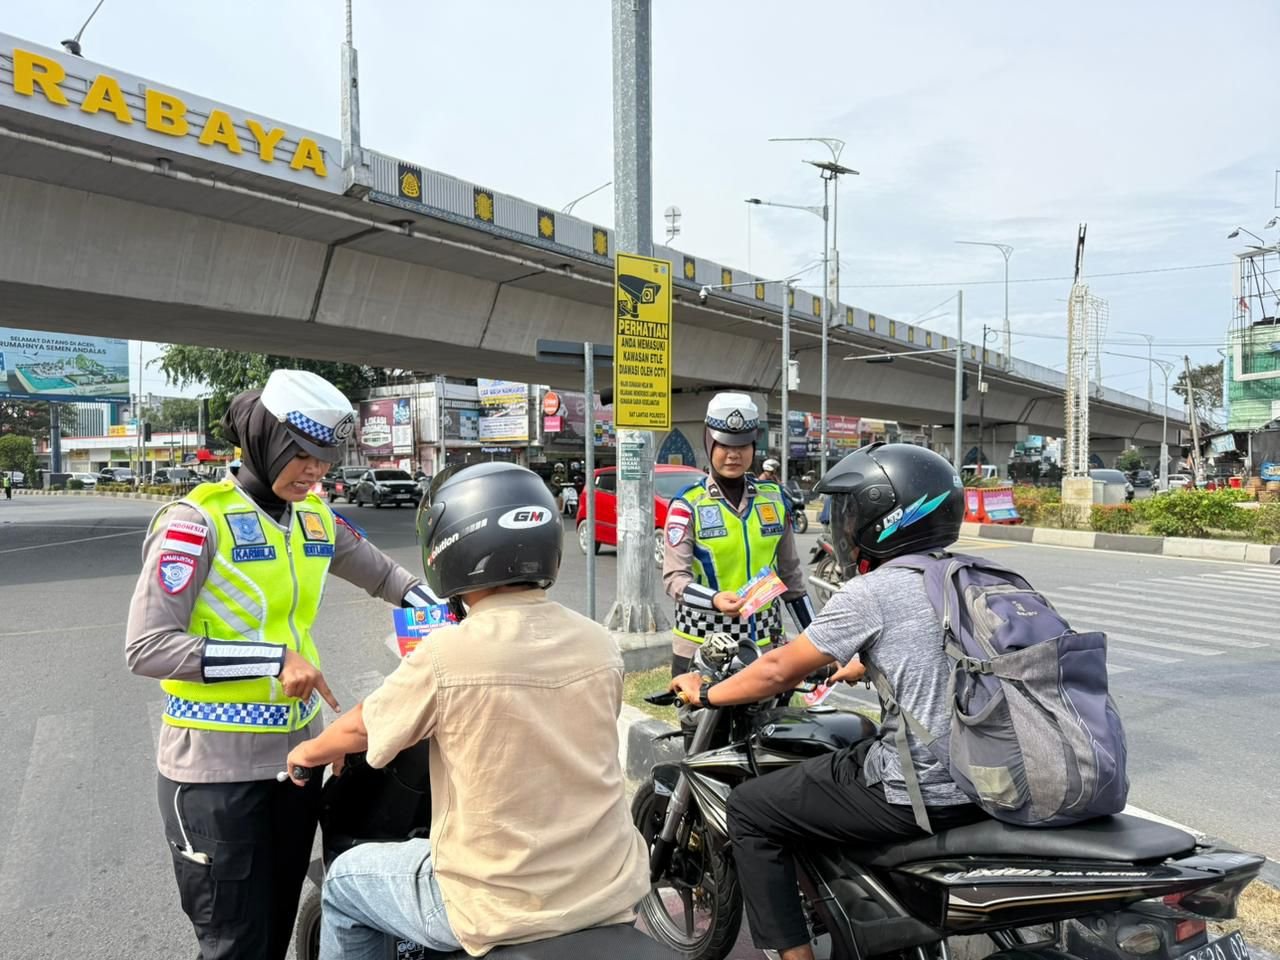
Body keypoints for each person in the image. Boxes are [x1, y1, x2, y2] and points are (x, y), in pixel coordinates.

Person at [125, 369, 434, 960]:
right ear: (265, 440)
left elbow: (389, 578)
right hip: (215, 775)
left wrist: (456, 611)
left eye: (324, 460)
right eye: (303, 456)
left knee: (275, 932)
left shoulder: (314, 517)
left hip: (297, 765)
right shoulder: (196, 523)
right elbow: (147, 646)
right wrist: (270, 659)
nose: (314, 471)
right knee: (235, 945)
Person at [284, 462, 649, 960]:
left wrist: (308, 751)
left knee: (344, 883)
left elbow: (364, 726)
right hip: (607, 882)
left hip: (494, 902)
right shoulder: (600, 643)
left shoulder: (448, 653)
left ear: (451, 549)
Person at [670, 443, 989, 960]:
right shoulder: (975, 575)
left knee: (751, 808)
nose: (841, 526)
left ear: (885, 518)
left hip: (925, 789)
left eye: (849, 513)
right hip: (994, 778)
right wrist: (866, 663)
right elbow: (951, 650)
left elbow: (777, 670)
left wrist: (706, 692)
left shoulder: (874, 589)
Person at [662, 393, 814, 676]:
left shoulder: (775, 499)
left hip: (765, 647)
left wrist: (817, 642)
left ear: (753, 446)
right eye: (724, 445)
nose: (733, 454)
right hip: (702, 649)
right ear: (709, 442)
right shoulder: (688, 505)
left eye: (743, 445)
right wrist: (715, 600)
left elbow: (791, 578)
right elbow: (675, 579)